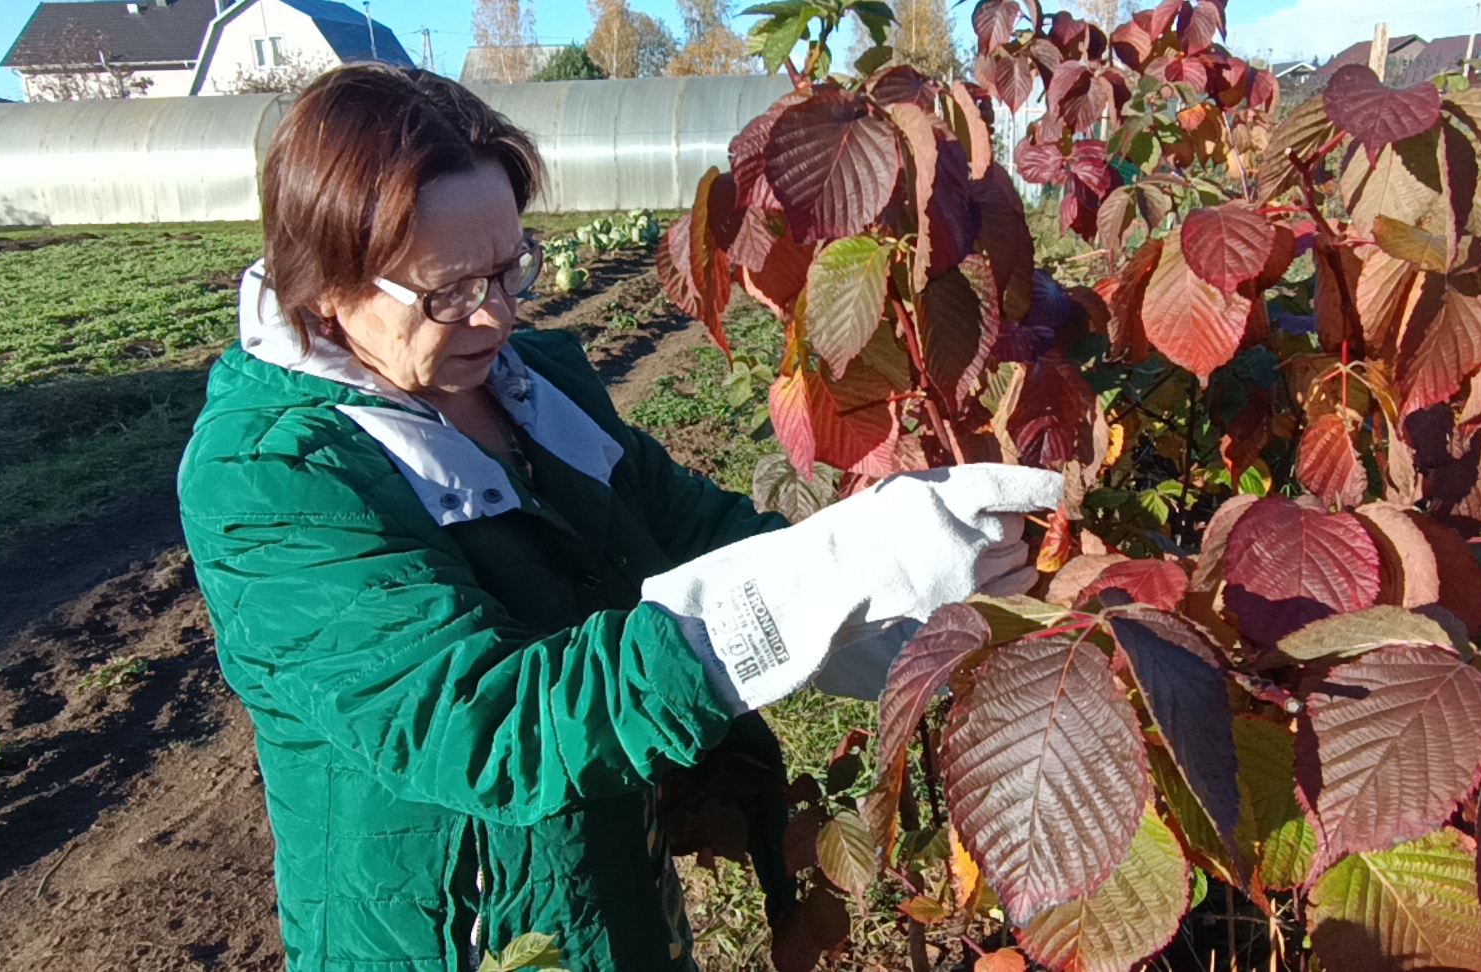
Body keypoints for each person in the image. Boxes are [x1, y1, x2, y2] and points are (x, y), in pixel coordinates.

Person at [177, 64, 1061, 972]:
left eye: (510, 265)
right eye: (447, 292)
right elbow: (485, 723)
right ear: (325, 285)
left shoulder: (532, 386)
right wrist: (802, 592)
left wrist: (876, 582)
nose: (497, 314)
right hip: (456, 942)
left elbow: (687, 532)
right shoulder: (273, 479)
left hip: (614, 890)